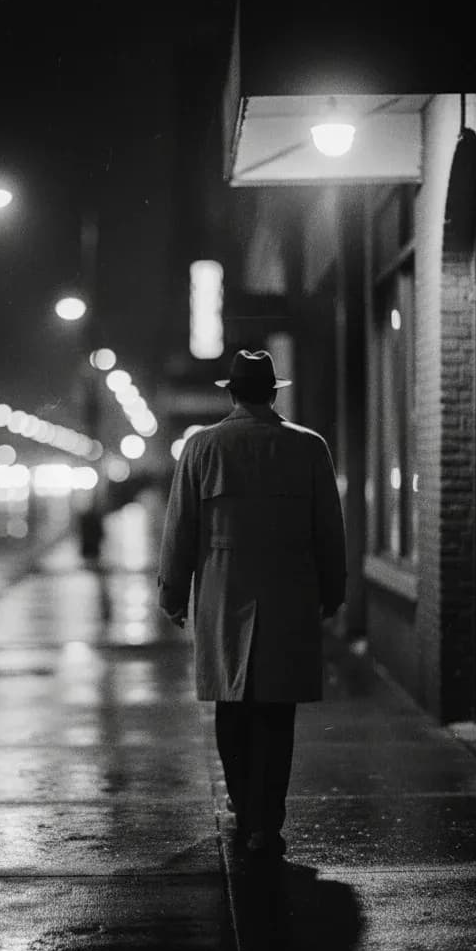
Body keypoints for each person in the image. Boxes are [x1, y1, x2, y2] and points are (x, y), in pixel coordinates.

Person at [158, 349, 346, 859]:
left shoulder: (202, 448)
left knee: (231, 706)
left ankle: (245, 807)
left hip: (225, 593)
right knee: (277, 715)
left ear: (233, 394)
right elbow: (329, 528)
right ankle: (268, 818)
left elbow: (181, 528)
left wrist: (172, 594)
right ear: (273, 393)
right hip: (289, 594)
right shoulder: (308, 447)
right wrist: (333, 589)